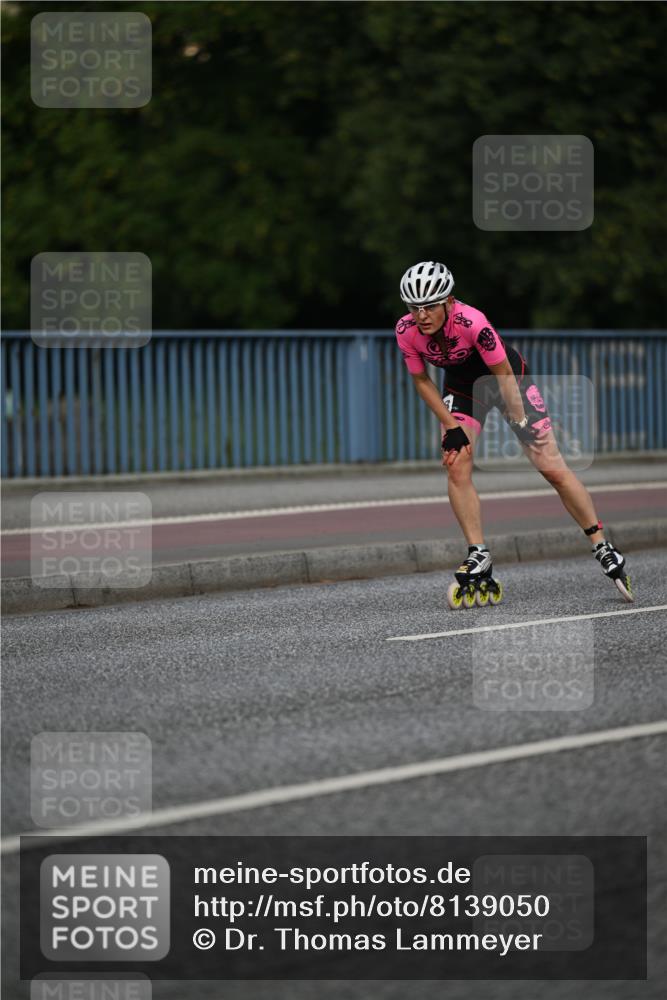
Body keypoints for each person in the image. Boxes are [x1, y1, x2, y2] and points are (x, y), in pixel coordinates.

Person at [396, 260, 633, 607]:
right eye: (414, 307)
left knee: (551, 467)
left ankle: (602, 545)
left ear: (449, 302)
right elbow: (421, 381)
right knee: (455, 463)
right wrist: (451, 426)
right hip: (463, 389)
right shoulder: (406, 330)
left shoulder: (473, 323)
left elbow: (504, 375)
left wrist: (520, 421)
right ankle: (478, 552)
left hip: (507, 381)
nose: (421, 315)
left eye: (430, 306)